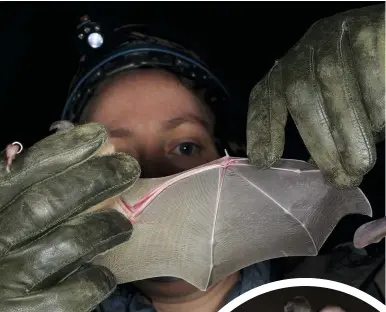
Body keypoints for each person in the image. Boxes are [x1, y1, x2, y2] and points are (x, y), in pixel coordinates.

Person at [0, 4, 383, 312]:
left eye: (185, 147)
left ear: (229, 161)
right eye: (113, 156)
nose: (155, 178)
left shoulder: (353, 285)